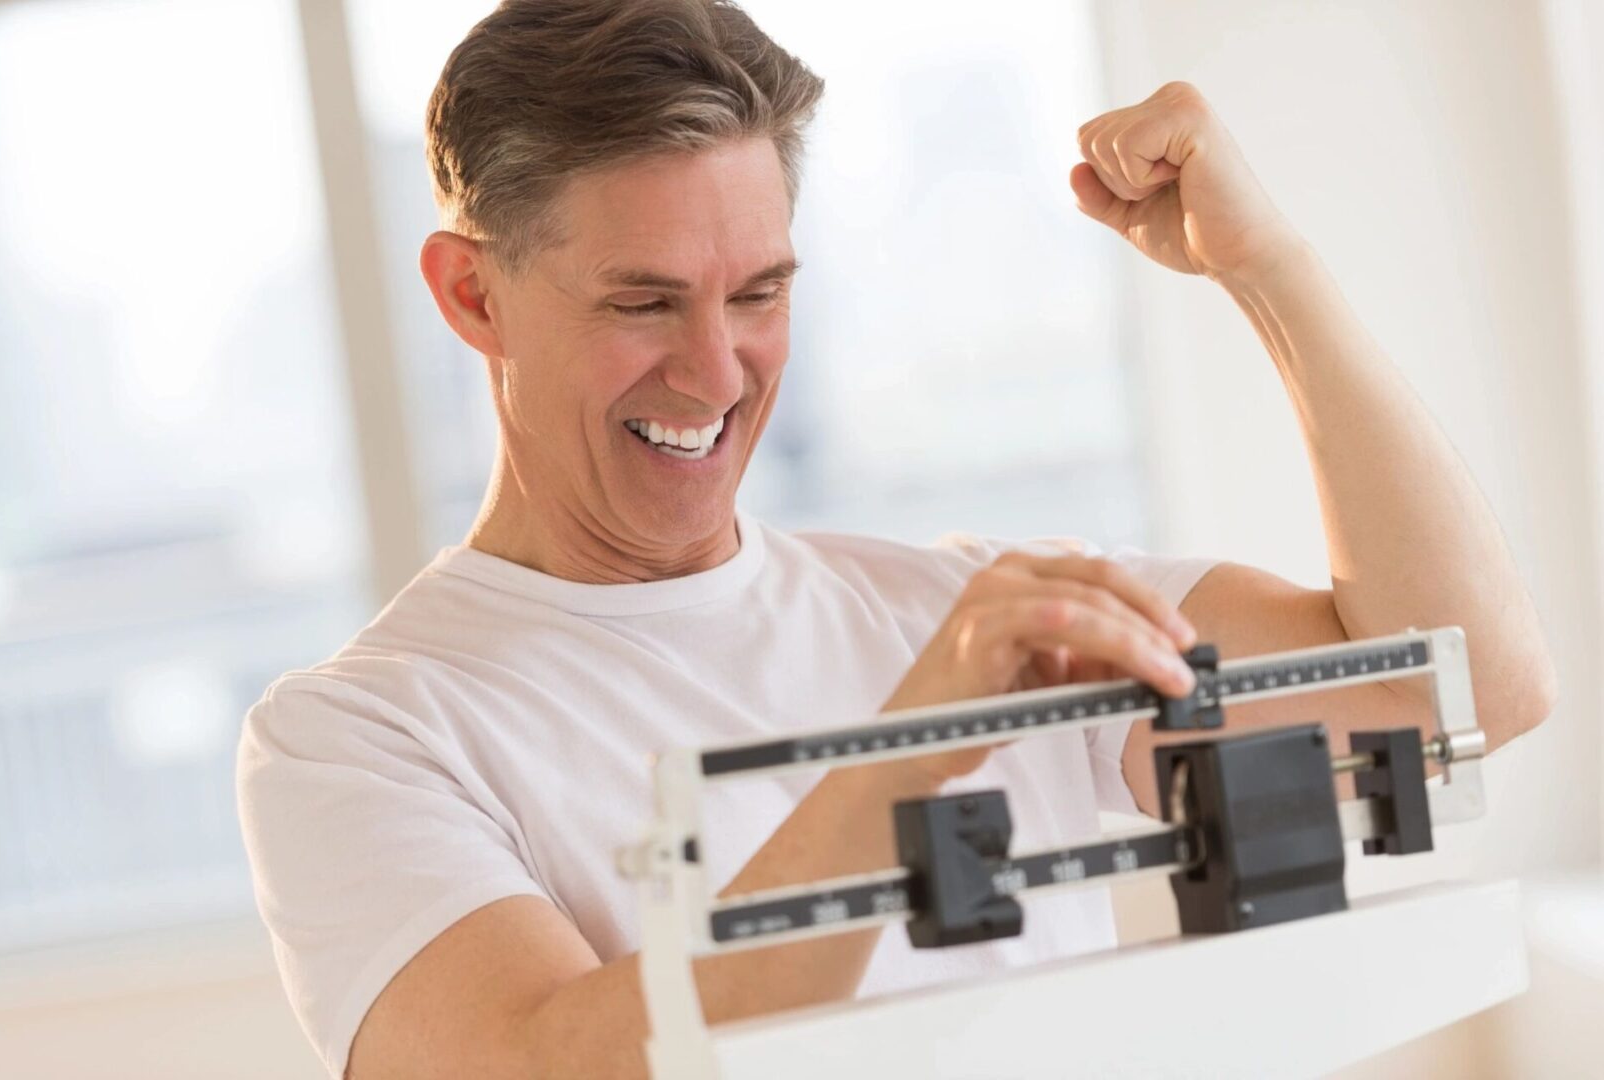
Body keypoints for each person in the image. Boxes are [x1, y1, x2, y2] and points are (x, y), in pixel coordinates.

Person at [235, 2, 1558, 1077]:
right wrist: (924, 738)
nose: (714, 372)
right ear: (474, 293)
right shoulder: (360, 735)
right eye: (643, 302)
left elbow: (1459, 690)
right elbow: (536, 1067)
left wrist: (1263, 263)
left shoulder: (972, 611)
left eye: (759, 294)